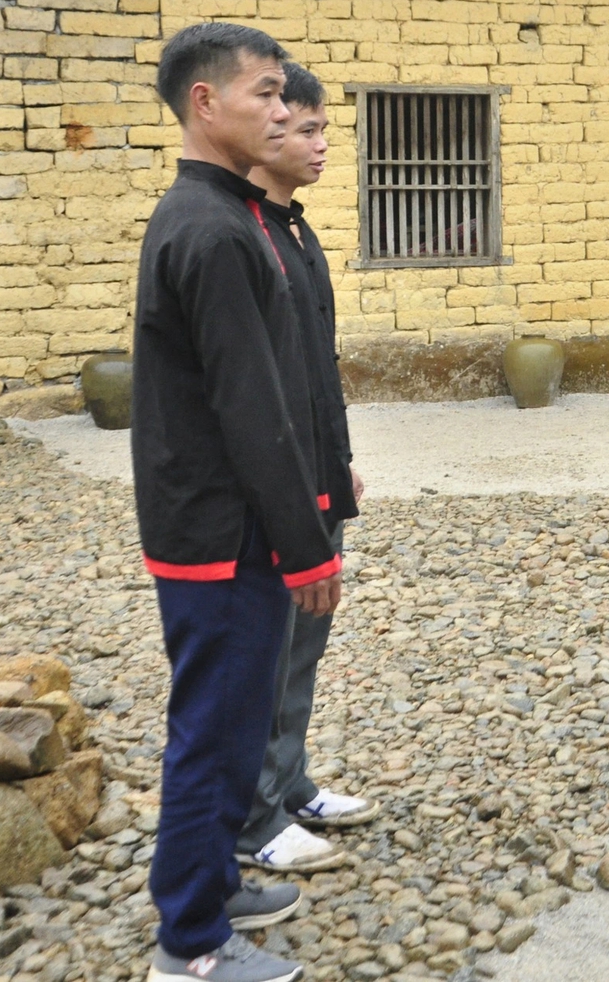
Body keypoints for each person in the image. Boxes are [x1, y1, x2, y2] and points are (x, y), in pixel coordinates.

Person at [134, 23, 343, 982]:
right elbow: (250, 407)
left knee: (230, 716)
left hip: (236, 523)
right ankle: (191, 944)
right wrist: (306, 547)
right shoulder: (212, 229)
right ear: (206, 105)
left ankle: (210, 878)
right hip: (219, 534)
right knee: (215, 732)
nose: (280, 109)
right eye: (264, 93)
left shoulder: (241, 217)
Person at [235, 64, 380, 873]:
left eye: (324, 129)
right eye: (306, 129)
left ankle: (289, 784)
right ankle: (254, 816)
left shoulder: (296, 229)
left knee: (303, 646)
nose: (322, 145)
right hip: (273, 488)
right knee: (264, 647)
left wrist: (340, 461)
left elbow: (313, 370)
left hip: (316, 469)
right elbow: (255, 393)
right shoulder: (239, 234)